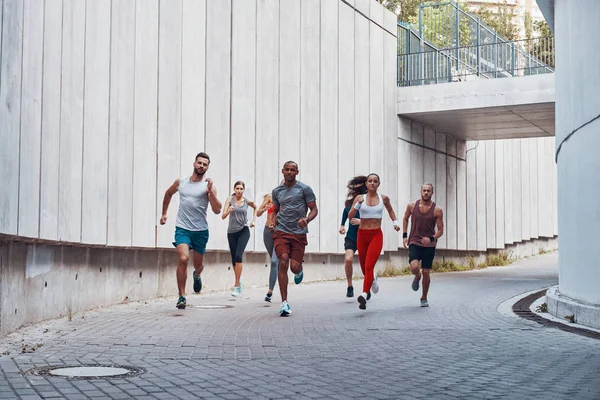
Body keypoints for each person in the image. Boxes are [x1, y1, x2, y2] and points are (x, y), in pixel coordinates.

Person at [160, 152, 222, 309]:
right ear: (194, 164)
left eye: (205, 164)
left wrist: (210, 192)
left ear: (207, 167)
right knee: (183, 259)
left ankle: (197, 275)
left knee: (198, 265)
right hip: (183, 228)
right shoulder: (181, 182)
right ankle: (182, 296)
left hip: (200, 231)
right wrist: (164, 213)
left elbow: (217, 209)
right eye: (199, 163)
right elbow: (168, 194)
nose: (201, 166)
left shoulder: (208, 186)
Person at [270, 161, 318, 316]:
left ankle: (299, 270)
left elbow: (314, 209)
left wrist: (307, 219)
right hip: (281, 231)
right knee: (283, 260)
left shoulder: (304, 189)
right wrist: (272, 222)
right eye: (287, 170)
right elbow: (275, 210)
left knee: (294, 267)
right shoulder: (277, 191)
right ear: (282, 171)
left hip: (298, 232)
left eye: (293, 170)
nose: (289, 172)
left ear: (297, 172)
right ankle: (284, 303)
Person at [348, 173, 400, 310]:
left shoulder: (384, 198)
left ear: (378, 184)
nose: (372, 183)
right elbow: (350, 216)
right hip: (362, 235)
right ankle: (374, 279)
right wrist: (358, 206)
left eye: (375, 181)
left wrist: (395, 222)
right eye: (370, 181)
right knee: (365, 268)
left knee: (369, 266)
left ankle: (364, 295)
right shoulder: (360, 198)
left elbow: (390, 210)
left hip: (376, 235)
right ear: (366, 184)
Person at [402, 182, 444, 307]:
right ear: (421, 191)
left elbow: (441, 230)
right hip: (415, 240)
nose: (426, 193)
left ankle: (424, 297)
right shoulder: (412, 206)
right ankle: (417, 276)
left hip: (429, 245)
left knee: (427, 272)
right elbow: (405, 218)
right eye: (424, 190)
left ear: (432, 193)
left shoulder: (437, 210)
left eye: (428, 191)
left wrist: (431, 238)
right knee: (414, 267)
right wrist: (405, 236)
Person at [221, 181, 256, 297]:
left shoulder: (247, 201)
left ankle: (236, 285)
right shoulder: (229, 200)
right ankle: (238, 280)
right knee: (233, 259)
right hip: (231, 232)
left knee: (238, 256)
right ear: (234, 189)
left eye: (241, 189)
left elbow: (256, 208)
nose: (239, 191)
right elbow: (223, 216)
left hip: (244, 230)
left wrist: (253, 221)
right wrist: (228, 211)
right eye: (237, 188)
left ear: (243, 190)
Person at [339, 176, 368, 298]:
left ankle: (367, 287)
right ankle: (350, 286)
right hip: (351, 236)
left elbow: (375, 220)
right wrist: (342, 225)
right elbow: (346, 212)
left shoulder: (369, 201)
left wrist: (361, 222)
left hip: (365, 236)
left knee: (366, 264)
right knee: (348, 259)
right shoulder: (349, 202)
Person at [257, 193, 279, 302]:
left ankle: (270, 292)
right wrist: (264, 208)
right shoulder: (269, 197)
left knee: (275, 261)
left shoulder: (289, 200)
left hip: (280, 232)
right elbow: (258, 213)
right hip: (268, 232)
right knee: (276, 261)